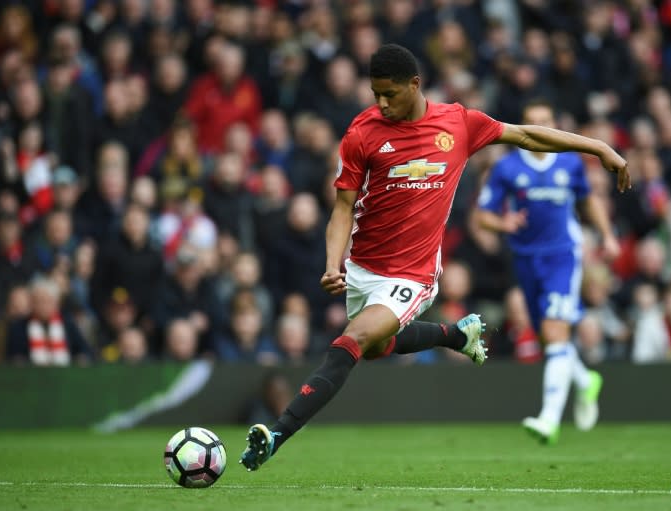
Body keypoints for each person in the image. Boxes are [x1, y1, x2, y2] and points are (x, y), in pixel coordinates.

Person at [240, 44, 629, 471]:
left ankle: (276, 433)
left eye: (390, 94)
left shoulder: (458, 123)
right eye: (375, 95)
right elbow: (342, 206)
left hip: (415, 272)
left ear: (415, 85)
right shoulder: (361, 132)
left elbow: (527, 134)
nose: (382, 103)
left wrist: (597, 147)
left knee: (354, 340)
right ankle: (455, 336)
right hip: (363, 267)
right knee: (376, 347)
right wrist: (333, 263)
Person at [474, 99, 621, 444]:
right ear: (525, 127)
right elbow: (483, 214)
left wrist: (608, 235)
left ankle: (548, 419)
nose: (540, 128)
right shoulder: (507, 168)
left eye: (546, 121)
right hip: (525, 259)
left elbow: (587, 201)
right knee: (546, 338)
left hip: (562, 257)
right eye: (532, 122)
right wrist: (502, 222)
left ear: (555, 123)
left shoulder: (570, 162)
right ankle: (586, 381)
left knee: (555, 334)